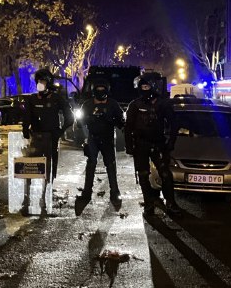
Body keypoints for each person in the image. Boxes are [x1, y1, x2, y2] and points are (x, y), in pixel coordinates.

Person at [124, 72, 181, 216]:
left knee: (165, 174)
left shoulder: (162, 104)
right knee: (143, 174)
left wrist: (170, 142)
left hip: (158, 143)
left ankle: (170, 203)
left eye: (147, 86)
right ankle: (148, 203)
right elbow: (128, 126)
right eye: (143, 87)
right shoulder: (135, 105)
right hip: (140, 144)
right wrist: (129, 145)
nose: (145, 89)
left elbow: (174, 124)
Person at [77, 77, 125, 205]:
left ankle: (115, 191)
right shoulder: (87, 104)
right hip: (93, 137)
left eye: (102, 89)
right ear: (94, 90)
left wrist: (111, 119)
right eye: (98, 89)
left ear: (107, 90)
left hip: (108, 138)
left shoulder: (113, 104)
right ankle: (87, 192)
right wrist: (88, 119)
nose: (100, 91)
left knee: (111, 165)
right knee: (91, 164)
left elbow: (121, 122)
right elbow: (79, 123)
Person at [22, 68, 74, 184]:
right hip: (36, 137)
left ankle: (48, 187)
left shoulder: (56, 98)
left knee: (49, 165)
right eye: (38, 81)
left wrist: (61, 131)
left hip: (51, 138)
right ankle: (30, 189)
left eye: (43, 81)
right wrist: (25, 130)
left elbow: (70, 117)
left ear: (48, 83)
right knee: (33, 165)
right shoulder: (32, 99)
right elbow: (27, 117)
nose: (40, 84)